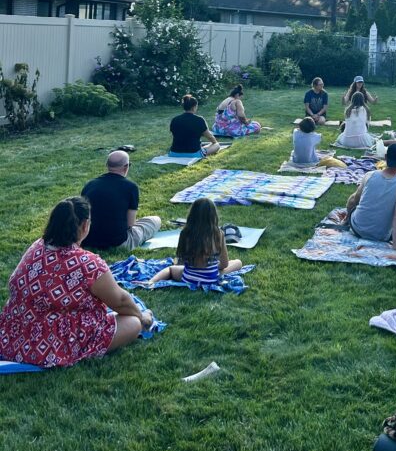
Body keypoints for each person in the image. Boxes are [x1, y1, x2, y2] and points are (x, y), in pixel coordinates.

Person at [0, 197, 154, 368]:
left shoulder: (37, 246)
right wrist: (142, 317)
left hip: (11, 338)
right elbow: (120, 301)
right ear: (85, 225)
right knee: (133, 323)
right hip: (48, 346)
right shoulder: (88, 264)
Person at [149, 198, 242, 286]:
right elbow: (224, 264)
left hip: (189, 278)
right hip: (211, 279)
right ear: (214, 216)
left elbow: (180, 260)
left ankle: (150, 282)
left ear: (192, 215)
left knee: (170, 269)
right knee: (237, 262)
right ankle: (209, 272)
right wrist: (211, 265)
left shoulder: (185, 233)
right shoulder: (218, 234)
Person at [82, 150, 161, 250]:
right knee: (155, 220)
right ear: (126, 166)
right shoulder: (131, 187)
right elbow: (130, 224)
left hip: (89, 239)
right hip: (118, 242)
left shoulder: (90, 185)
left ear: (107, 165)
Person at [345, 142, 396, 245]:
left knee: (353, 200)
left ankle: (346, 221)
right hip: (382, 236)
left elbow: (354, 200)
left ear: (385, 157)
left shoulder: (369, 175)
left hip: (357, 229)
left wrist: (347, 216)